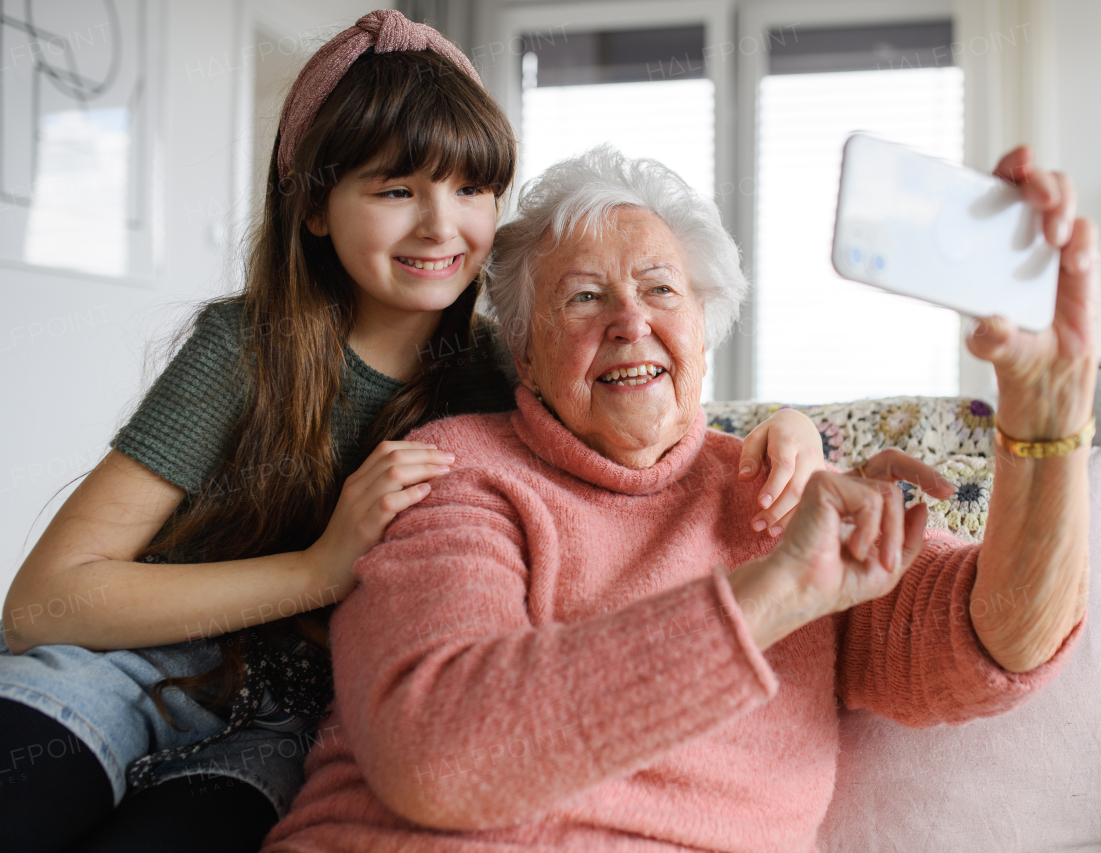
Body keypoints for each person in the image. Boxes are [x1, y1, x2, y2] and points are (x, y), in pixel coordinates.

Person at [0, 14, 823, 853]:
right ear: (315, 207)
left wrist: (788, 428)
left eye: (471, 189)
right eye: (396, 190)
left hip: (284, 727)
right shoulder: (246, 348)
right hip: (126, 665)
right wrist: (318, 568)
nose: (442, 226)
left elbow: (647, 414)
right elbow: (40, 603)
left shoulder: (504, 372)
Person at [262, 143, 1097, 852]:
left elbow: (1003, 641)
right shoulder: (457, 471)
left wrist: (1047, 421)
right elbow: (439, 753)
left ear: (704, 325)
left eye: (661, 289)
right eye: (584, 297)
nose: (630, 320)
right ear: (523, 349)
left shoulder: (784, 496)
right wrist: (775, 593)